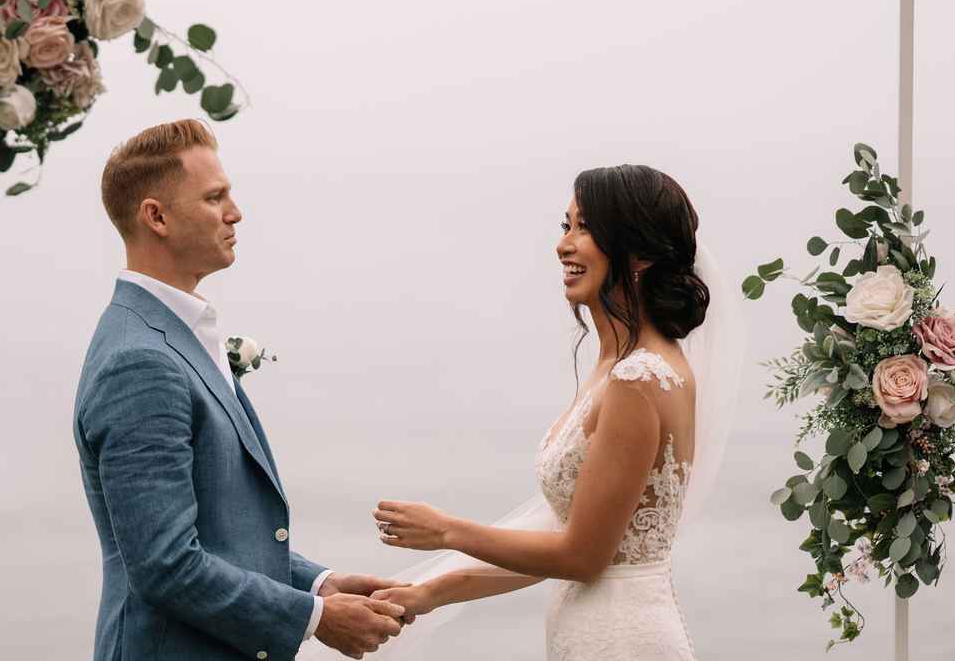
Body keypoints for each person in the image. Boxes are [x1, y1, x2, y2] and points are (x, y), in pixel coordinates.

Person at [368, 164, 737, 661]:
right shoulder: (618, 367)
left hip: (623, 639)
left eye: (585, 228)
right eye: (566, 226)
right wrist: (436, 590)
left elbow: (582, 557)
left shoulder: (638, 380)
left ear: (641, 252)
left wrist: (446, 530)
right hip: (594, 630)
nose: (565, 245)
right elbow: (570, 545)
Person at [74, 119, 409, 660]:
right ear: (156, 216)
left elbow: (218, 533)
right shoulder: (139, 361)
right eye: (215, 197)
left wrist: (317, 584)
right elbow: (165, 564)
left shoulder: (170, 336)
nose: (236, 212)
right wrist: (316, 619)